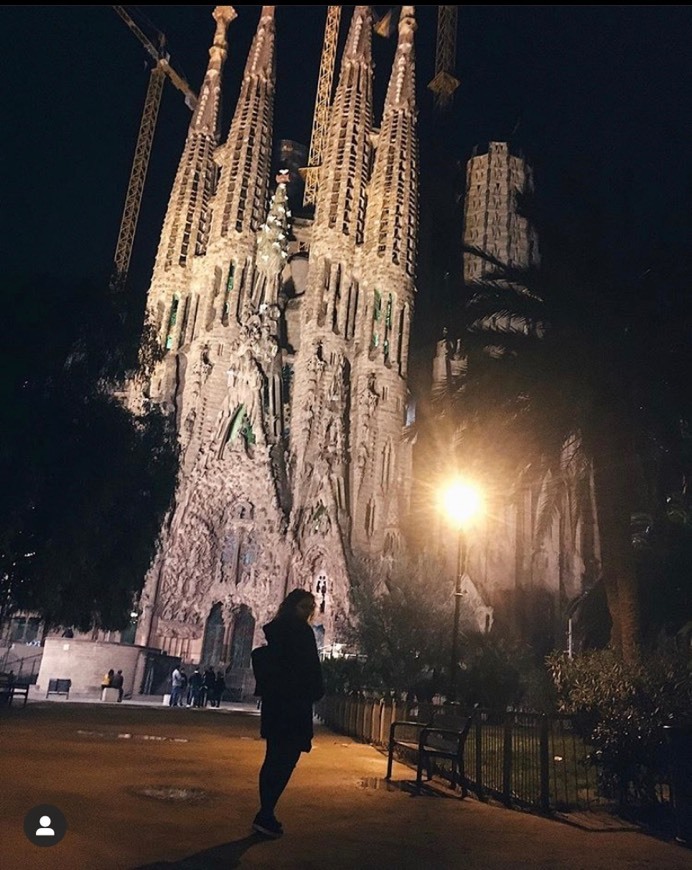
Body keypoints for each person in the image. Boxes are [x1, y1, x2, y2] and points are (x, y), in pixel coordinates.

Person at [252, 588, 324, 839]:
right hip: (294, 706)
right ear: (293, 606)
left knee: (273, 757)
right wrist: (316, 690)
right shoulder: (302, 633)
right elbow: (311, 668)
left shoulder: (277, 630)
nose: (308, 612)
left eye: (310, 608)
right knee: (286, 758)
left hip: (275, 705)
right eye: (304, 607)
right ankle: (266, 813)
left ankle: (266, 811)